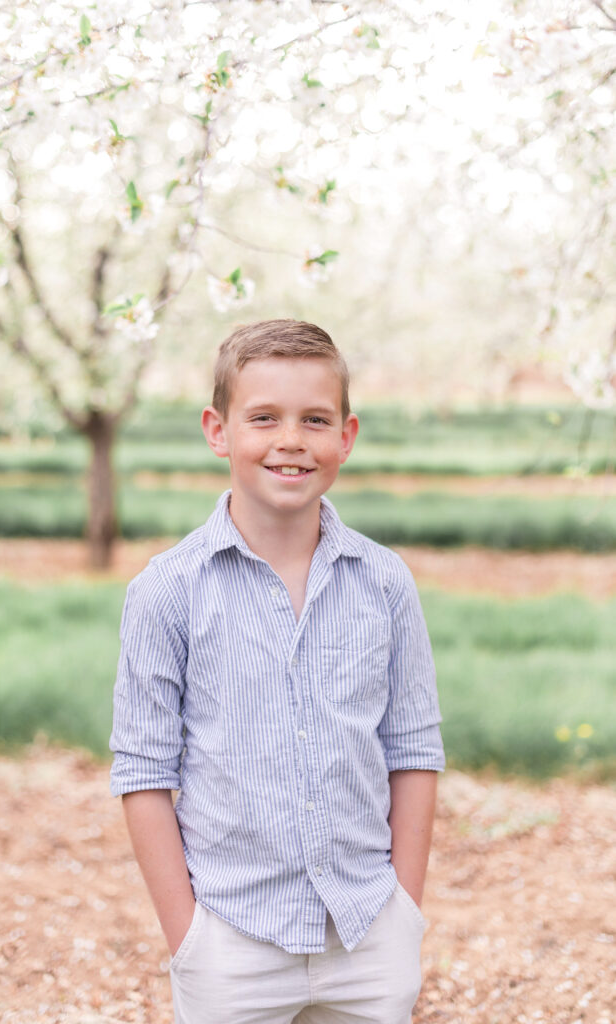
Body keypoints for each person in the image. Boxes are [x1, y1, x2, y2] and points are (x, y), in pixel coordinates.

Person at [109, 319, 446, 1024]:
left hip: (366, 931)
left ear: (345, 437)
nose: (290, 440)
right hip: (231, 938)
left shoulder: (384, 584)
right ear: (218, 430)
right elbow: (143, 772)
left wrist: (404, 913)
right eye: (263, 417)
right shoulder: (166, 591)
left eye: (313, 420)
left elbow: (411, 750)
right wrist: (189, 938)